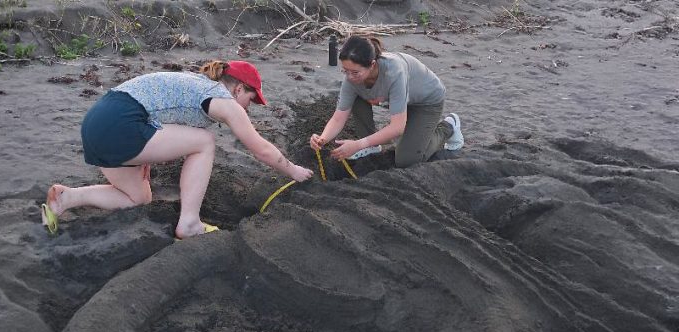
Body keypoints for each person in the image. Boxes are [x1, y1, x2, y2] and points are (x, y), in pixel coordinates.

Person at [41, 60, 313, 238]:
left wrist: (144, 155)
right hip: (120, 124)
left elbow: (159, 112)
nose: (247, 108)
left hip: (97, 122)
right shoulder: (224, 101)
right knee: (204, 142)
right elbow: (261, 150)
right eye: (251, 100)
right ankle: (190, 223)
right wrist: (293, 170)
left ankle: (68, 198)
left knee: (138, 197)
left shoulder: (197, 84)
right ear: (239, 89)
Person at [309, 35, 464, 168]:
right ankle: (372, 147)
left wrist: (357, 145)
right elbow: (339, 117)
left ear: (372, 65)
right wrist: (322, 138)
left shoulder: (393, 72)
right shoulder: (352, 79)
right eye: (345, 71)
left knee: (407, 160)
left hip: (426, 102)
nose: (349, 77)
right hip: (400, 100)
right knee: (355, 97)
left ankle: (449, 126)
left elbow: (397, 127)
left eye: (355, 72)